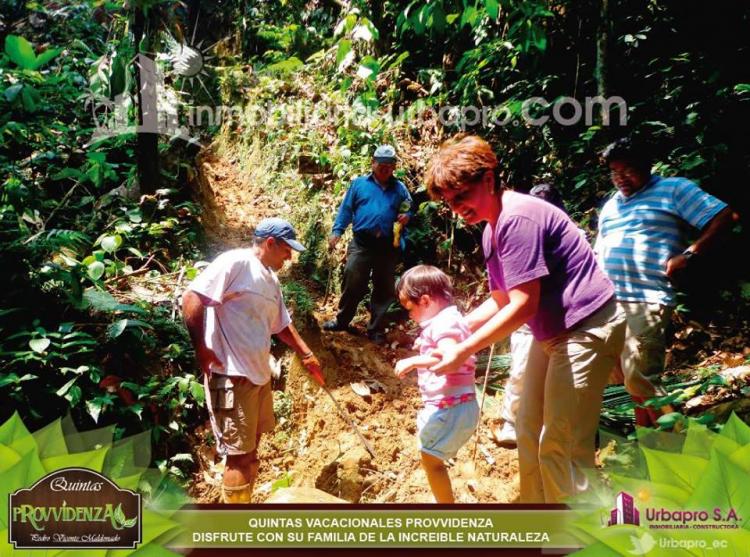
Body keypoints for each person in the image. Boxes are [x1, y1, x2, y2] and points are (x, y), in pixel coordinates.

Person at [424, 135, 626, 503]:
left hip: (586, 327)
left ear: (488, 179)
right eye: (449, 202)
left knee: (561, 442)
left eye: (461, 195)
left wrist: (464, 349)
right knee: (528, 429)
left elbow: (522, 306)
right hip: (552, 334)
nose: (456, 208)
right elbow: (500, 298)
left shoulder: (518, 218)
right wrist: (449, 333)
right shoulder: (491, 229)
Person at [182, 217, 324, 503]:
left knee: (252, 450)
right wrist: (202, 349)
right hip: (230, 376)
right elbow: (192, 298)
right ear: (270, 243)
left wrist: (306, 353)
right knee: (238, 456)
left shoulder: (270, 279)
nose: (289, 256)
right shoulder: (236, 263)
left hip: (258, 377)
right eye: (286, 249)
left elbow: (281, 325)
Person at [596, 138, 733, 424]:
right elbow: (599, 251)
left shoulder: (673, 189)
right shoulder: (610, 206)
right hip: (608, 302)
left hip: (646, 297)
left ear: (646, 165)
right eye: (614, 171)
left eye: (628, 169)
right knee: (624, 381)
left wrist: (690, 254)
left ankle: (685, 442)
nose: (620, 177)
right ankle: (649, 444)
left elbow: (723, 216)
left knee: (639, 377)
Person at [393, 265, 479, 503]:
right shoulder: (451, 319)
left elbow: (450, 355)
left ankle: (445, 508)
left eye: (409, 308)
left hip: (449, 406)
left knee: (430, 460)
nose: (409, 315)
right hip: (459, 404)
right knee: (432, 456)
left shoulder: (442, 324)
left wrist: (414, 361)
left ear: (425, 300)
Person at [495, 183, 569, 449]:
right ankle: (511, 421)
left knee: (560, 380)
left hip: (563, 320)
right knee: (521, 371)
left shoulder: (565, 235)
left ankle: (554, 427)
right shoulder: (520, 232)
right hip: (529, 320)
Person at [324, 144, 412, 344]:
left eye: (390, 165)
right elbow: (346, 209)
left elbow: (408, 208)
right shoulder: (359, 185)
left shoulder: (400, 189)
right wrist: (337, 231)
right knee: (353, 280)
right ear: (373, 163)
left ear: (394, 167)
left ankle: (376, 330)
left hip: (388, 246)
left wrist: (407, 215)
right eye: (381, 164)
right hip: (362, 243)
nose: (385, 168)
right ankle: (342, 320)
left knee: (384, 288)